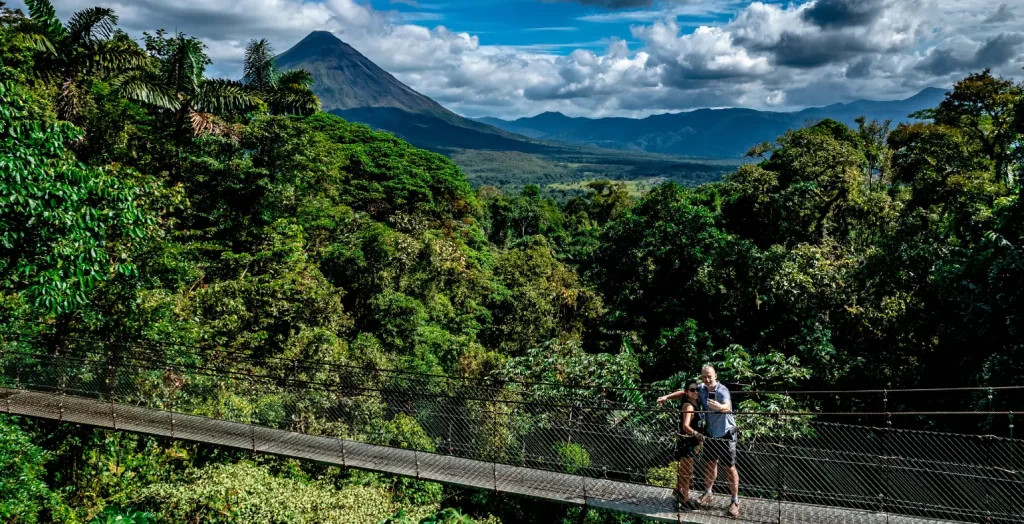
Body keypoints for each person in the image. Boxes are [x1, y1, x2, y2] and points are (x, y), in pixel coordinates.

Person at [697, 365, 740, 518]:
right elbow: (684, 393)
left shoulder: (722, 390)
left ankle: (735, 501)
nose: (707, 379)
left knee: (730, 467)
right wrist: (666, 397)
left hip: (726, 433)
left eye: (709, 376)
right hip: (710, 433)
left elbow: (727, 406)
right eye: (704, 377)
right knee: (710, 463)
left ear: (715, 375)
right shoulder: (701, 389)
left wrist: (720, 407)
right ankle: (708, 493)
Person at [656, 380, 705, 507]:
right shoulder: (689, 406)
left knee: (685, 469)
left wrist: (666, 397)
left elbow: (679, 394)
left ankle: (678, 490)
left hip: (692, 442)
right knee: (688, 472)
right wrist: (697, 434)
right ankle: (685, 499)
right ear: (687, 392)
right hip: (687, 441)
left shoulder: (693, 399)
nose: (696, 392)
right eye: (692, 390)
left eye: (697, 389)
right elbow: (685, 426)